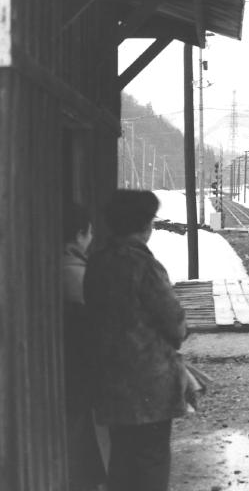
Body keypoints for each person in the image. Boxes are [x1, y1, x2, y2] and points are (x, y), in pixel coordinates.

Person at [84, 190, 187, 491]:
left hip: (111, 380)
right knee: (151, 461)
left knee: (121, 460)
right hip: (149, 386)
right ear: (144, 225)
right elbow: (175, 323)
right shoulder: (145, 265)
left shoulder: (98, 262)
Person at [62, 203, 107, 491]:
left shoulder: (54, 265)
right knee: (82, 436)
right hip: (80, 369)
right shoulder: (79, 275)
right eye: (89, 233)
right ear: (80, 234)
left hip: (64, 366)